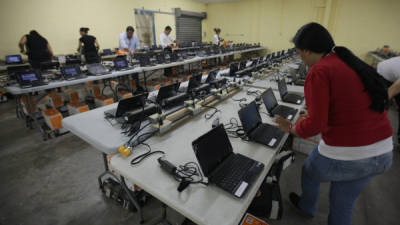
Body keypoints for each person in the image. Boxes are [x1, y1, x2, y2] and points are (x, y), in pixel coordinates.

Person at [274, 22, 393, 225]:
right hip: (382, 152)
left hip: (351, 152)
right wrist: (314, 112)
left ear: (310, 51)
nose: (300, 57)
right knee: (343, 200)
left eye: (300, 52)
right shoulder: (345, 60)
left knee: (310, 170)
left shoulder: (319, 71)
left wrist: (292, 128)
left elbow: (316, 126)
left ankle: (307, 207)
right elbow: (345, 102)